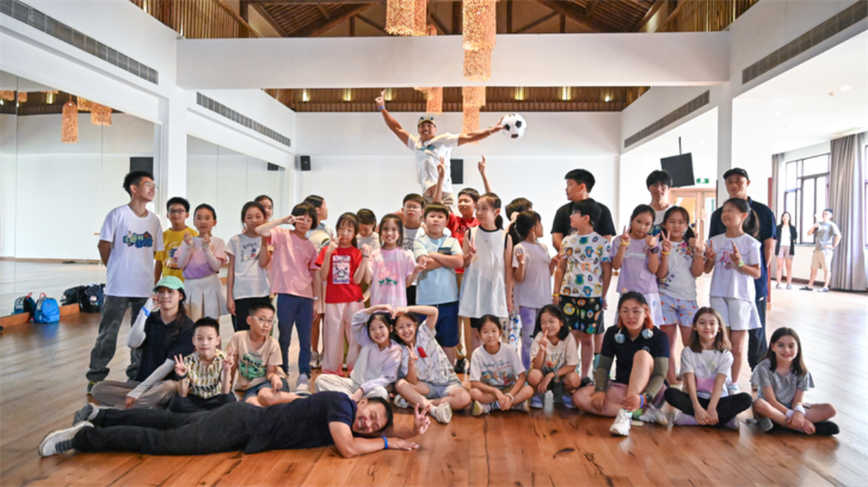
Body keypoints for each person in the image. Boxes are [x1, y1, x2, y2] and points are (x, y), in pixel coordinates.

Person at [41, 391, 429, 458]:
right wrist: (387, 443)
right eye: (370, 414)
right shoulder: (342, 408)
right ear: (361, 402)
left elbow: (297, 402)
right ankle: (85, 439)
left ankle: (101, 415)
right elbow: (348, 449)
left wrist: (406, 432)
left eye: (372, 426)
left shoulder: (339, 410)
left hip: (245, 418)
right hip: (243, 427)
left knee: (170, 420)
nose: (367, 422)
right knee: (164, 442)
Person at [86, 171, 164, 391]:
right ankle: (96, 376)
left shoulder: (154, 220)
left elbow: (157, 254)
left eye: (154, 185)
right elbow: (103, 245)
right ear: (134, 188)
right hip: (118, 288)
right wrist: (114, 268)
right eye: (148, 184)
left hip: (143, 287)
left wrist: (153, 283)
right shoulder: (117, 215)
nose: (152, 189)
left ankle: (136, 375)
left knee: (140, 333)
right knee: (107, 334)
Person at [375, 91, 504, 207]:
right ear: (418, 130)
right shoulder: (415, 144)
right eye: (422, 126)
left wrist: (491, 130)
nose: (425, 128)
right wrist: (382, 108)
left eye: (429, 125)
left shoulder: (443, 140)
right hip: (427, 196)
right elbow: (396, 128)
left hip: (444, 195)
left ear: (435, 129)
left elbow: (469, 136)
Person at [572, 292, 669, 437]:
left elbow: (660, 375)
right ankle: (640, 414)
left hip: (649, 393)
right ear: (619, 313)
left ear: (646, 312)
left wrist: (643, 398)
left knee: (642, 355)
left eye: (636, 311)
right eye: (625, 311)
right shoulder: (612, 333)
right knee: (579, 397)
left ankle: (625, 414)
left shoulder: (660, 336)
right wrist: (600, 390)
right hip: (622, 387)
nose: (630, 316)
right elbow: (603, 367)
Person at [90, 276, 194, 409]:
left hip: (167, 386)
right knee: (98, 389)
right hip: (143, 383)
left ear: (180, 296)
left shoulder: (188, 327)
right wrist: (144, 311)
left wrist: (137, 392)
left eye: (170, 292)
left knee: (167, 387)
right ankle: (144, 406)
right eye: (161, 292)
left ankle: (126, 409)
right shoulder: (150, 319)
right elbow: (132, 343)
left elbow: (168, 366)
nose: (165, 296)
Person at [708, 168, 775, 370]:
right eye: (730, 182)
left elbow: (768, 246)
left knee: (756, 330)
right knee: (725, 333)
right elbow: (712, 248)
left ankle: (759, 372)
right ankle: (724, 374)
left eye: (739, 181)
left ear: (748, 183)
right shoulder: (718, 214)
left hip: (753, 278)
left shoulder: (763, 211)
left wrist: (754, 273)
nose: (734, 185)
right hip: (724, 284)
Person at [255, 203, 320, 391]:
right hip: (285, 294)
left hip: (306, 297)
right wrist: (284, 220)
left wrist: (317, 301)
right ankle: (282, 372)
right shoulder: (282, 235)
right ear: (294, 218)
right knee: (284, 337)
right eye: (301, 218)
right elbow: (260, 230)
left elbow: (314, 274)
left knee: (305, 338)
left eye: (309, 220)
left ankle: (304, 374)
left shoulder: (311, 246)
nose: (305, 222)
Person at [703, 198, 762, 392]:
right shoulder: (715, 240)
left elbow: (757, 272)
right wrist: (709, 259)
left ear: (743, 216)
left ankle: (733, 383)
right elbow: (706, 269)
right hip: (718, 293)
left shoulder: (751, 243)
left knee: (737, 345)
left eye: (731, 211)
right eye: (724, 211)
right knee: (720, 342)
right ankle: (720, 381)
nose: (726, 214)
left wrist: (740, 263)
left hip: (741, 296)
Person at [664, 308, 752, 428]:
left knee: (746, 399)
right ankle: (720, 420)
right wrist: (697, 408)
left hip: (718, 400)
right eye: (702, 323)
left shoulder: (725, 354)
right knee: (670, 393)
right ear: (695, 327)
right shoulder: (688, 352)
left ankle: (695, 419)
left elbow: (719, 383)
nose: (707, 327)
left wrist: (712, 408)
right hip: (696, 399)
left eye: (712, 323)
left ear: (719, 328)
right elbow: (689, 382)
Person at [553, 200, 611, 378]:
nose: (570, 216)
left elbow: (607, 271)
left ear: (586, 218)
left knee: (587, 337)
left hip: (591, 296)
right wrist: (556, 292)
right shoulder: (567, 240)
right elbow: (561, 268)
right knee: (570, 336)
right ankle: (571, 374)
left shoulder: (601, 243)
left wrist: (603, 295)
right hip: (568, 294)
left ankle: (585, 376)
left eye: (574, 213)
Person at [750, 328, 838, 435]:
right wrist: (794, 416)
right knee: (759, 404)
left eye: (791, 346)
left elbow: (797, 402)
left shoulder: (802, 371)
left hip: (790, 408)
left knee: (830, 409)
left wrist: (798, 413)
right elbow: (771, 401)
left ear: (798, 348)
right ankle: (801, 427)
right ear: (773, 347)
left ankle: (784, 424)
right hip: (771, 409)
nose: (786, 350)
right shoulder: (763, 368)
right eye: (781, 345)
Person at [393, 306, 471, 423]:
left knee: (464, 398)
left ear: (415, 325)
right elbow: (413, 382)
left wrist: (407, 309)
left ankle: (417, 403)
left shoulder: (424, 332)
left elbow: (434, 311)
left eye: (409, 325)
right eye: (400, 327)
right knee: (400, 384)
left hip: (447, 383)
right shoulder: (401, 351)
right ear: (395, 330)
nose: (406, 330)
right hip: (426, 387)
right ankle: (433, 409)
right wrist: (411, 363)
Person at [459, 192, 511, 357]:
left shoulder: (505, 236)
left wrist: (509, 296)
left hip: (495, 291)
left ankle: (494, 365)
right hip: (475, 290)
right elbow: (464, 263)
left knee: (493, 332)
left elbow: (508, 270)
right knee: (475, 332)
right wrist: (468, 256)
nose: (479, 212)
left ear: (496, 212)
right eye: (478, 209)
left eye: (484, 209)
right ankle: (475, 365)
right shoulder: (470, 233)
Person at [317, 212, 370, 375]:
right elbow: (323, 276)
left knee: (355, 336)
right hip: (333, 299)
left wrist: (365, 257)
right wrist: (328, 253)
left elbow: (358, 279)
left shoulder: (357, 252)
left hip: (354, 299)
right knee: (332, 335)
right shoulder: (327, 250)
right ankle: (332, 369)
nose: (344, 233)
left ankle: (355, 368)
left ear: (354, 233)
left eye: (349, 230)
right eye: (341, 229)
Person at [314, 305, 403, 401]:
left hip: (373, 388)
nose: (377, 332)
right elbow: (356, 320)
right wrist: (375, 308)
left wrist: (362, 389)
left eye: (381, 327)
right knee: (321, 380)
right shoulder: (367, 341)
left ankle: (348, 400)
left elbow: (387, 378)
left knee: (381, 393)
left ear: (390, 328)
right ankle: (353, 400)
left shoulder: (395, 351)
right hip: (354, 384)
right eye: (372, 329)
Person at [656, 206, 704, 384]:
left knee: (690, 342)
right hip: (664, 298)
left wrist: (698, 253)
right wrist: (665, 252)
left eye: (681, 222)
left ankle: (692, 379)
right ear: (664, 224)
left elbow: (697, 272)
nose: (676, 226)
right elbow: (660, 274)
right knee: (667, 342)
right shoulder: (658, 245)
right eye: (672, 222)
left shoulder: (691, 246)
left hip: (688, 299)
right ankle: (671, 380)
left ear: (687, 225)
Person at [413, 203, 464, 363]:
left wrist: (434, 255)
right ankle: (426, 375)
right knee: (424, 343)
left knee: (449, 343)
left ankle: (449, 375)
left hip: (449, 300)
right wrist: (448, 259)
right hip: (425, 301)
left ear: (446, 221)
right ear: (424, 219)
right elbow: (424, 264)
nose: (436, 220)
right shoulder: (419, 241)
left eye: (440, 217)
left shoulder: (452, 241)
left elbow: (459, 262)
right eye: (432, 216)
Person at [510, 211, 555, 369]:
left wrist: (553, 264)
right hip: (527, 301)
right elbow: (518, 278)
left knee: (543, 337)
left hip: (544, 300)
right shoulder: (519, 248)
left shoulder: (543, 248)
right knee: (528, 339)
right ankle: (527, 370)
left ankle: (540, 369)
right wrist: (522, 263)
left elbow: (547, 273)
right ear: (532, 228)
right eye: (539, 223)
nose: (542, 227)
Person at [225, 302, 289, 407]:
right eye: (261, 319)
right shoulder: (238, 338)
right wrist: (226, 393)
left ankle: (303, 399)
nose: (266, 325)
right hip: (249, 388)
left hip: (270, 382)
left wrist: (275, 378)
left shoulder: (273, 344)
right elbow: (231, 367)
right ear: (249, 320)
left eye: (270, 321)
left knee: (265, 396)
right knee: (251, 404)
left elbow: (270, 373)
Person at [469, 315, 534, 416]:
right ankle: (514, 405)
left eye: (494, 331)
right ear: (479, 334)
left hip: (509, 388)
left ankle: (491, 406)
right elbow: (474, 383)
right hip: (490, 391)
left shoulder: (509, 350)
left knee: (529, 390)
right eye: (485, 332)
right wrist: (495, 391)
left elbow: (522, 377)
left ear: (500, 332)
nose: (490, 335)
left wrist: (510, 395)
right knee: (473, 392)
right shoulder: (477, 354)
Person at [611, 204, 664, 326]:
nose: (642, 227)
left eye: (647, 224)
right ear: (631, 219)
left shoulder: (653, 242)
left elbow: (653, 269)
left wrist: (652, 248)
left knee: (649, 328)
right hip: (627, 291)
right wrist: (623, 245)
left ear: (651, 226)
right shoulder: (619, 240)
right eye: (638, 221)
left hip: (648, 292)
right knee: (625, 326)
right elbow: (616, 265)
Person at [168, 317, 236, 413]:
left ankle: (202, 416)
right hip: (195, 400)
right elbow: (183, 394)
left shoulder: (223, 358)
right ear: (193, 341)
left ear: (217, 340)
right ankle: (207, 416)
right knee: (177, 402)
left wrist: (226, 370)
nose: (204, 343)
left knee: (230, 400)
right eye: (199, 338)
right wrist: (182, 376)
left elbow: (225, 392)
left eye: (210, 338)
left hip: (215, 399)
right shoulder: (187, 361)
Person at [175, 204, 228, 321]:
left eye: (207, 218)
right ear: (194, 221)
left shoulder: (218, 241)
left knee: (212, 323)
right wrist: (188, 247)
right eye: (199, 218)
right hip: (191, 286)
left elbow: (216, 266)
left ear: (214, 222)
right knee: (191, 323)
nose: (203, 221)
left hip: (211, 285)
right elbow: (180, 265)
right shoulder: (188, 241)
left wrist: (206, 248)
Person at [226, 201, 271, 332]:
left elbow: (263, 263)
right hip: (241, 294)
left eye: (258, 216)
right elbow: (231, 270)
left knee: (262, 332)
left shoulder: (268, 239)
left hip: (262, 292)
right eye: (249, 217)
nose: (254, 220)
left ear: (264, 218)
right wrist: (229, 297)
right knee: (242, 333)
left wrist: (264, 240)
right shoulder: (235, 240)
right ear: (243, 220)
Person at [526, 305, 580, 409]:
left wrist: (551, 375)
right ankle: (539, 395)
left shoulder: (568, 337)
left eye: (551, 321)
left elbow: (572, 365)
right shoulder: (539, 337)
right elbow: (536, 367)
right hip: (543, 375)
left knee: (574, 379)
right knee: (533, 375)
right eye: (543, 322)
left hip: (560, 375)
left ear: (561, 322)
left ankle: (565, 394)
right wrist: (542, 350)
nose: (547, 326)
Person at [550, 169, 616, 252]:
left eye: (570, 184)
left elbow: (606, 238)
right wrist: (570, 254)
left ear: (582, 187)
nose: (566, 189)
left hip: (594, 258)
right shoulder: (562, 211)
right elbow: (556, 239)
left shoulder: (603, 210)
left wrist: (588, 256)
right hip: (568, 258)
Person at [368, 214, 425, 308]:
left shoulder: (406, 255)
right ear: (380, 232)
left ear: (400, 233)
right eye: (385, 229)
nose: (389, 233)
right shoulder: (374, 255)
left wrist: (416, 271)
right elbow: (368, 279)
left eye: (394, 229)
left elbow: (407, 283)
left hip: (398, 307)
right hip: (377, 306)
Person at [305, 194, 333, 370]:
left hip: (327, 279)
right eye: (324, 206)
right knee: (313, 318)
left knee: (326, 318)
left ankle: (326, 352)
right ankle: (313, 351)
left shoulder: (328, 229)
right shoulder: (306, 230)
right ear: (317, 209)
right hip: (310, 279)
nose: (326, 209)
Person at [155, 196, 197, 282]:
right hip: (168, 283)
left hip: (188, 283)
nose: (176, 214)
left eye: (180, 211)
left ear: (187, 214)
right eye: (172, 211)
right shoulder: (163, 236)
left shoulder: (194, 235)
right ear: (167, 215)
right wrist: (155, 282)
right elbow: (159, 262)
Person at [802, 209, 841, 292]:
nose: (824, 215)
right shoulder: (819, 224)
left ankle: (825, 287)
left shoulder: (832, 225)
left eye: (826, 214)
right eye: (823, 214)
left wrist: (833, 246)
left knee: (826, 269)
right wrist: (814, 226)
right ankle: (810, 286)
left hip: (826, 251)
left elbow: (838, 236)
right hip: (817, 250)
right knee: (813, 268)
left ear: (831, 216)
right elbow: (809, 233)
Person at [646, 169, 673, 236]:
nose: (658, 189)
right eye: (655, 185)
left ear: (669, 188)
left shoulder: (676, 212)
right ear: (648, 188)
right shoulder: (641, 212)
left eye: (662, 185)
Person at [774, 211, 797, 290]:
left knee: (789, 267)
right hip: (780, 247)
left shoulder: (792, 227)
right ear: (782, 218)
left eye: (787, 216)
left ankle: (789, 284)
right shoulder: (778, 227)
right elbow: (775, 236)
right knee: (779, 266)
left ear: (789, 218)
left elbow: (795, 237)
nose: (785, 217)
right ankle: (778, 284)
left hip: (789, 247)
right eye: (784, 216)